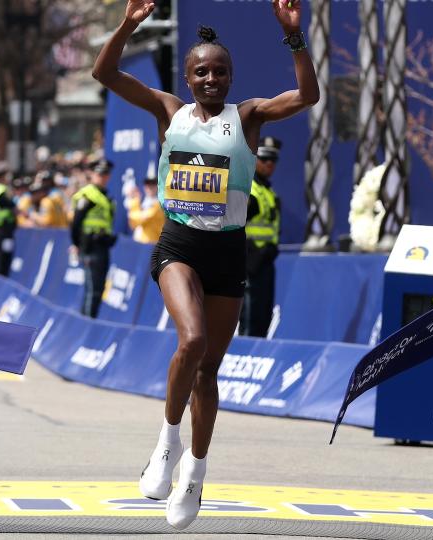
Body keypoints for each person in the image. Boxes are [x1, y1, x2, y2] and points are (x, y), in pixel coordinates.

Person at [92, 0, 318, 529]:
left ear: (230, 76)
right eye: (201, 71)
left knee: (208, 373)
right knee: (190, 342)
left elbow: (308, 96)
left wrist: (294, 37)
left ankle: (195, 472)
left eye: (219, 71)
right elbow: (103, 72)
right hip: (179, 245)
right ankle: (167, 443)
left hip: (227, 252)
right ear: (188, 78)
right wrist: (128, 25)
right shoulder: (168, 112)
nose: (210, 78)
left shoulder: (248, 117)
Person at [240, 136, 282, 337]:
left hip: (266, 262)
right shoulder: (250, 189)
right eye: (264, 159)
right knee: (250, 317)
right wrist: (249, 254)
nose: (270, 165)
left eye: (273, 161)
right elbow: (233, 224)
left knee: (264, 315)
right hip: (250, 263)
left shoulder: (268, 190)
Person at [70, 158, 116, 318]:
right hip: (90, 246)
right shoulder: (89, 194)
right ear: (92, 174)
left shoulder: (104, 196)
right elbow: (76, 222)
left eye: (105, 174)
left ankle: (88, 321)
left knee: (98, 289)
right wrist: (77, 244)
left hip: (101, 246)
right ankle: (88, 324)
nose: (102, 177)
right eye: (99, 174)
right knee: (93, 289)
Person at [125, 174, 165, 243]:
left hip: (153, 244)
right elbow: (132, 223)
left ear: (158, 186)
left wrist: (135, 200)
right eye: (148, 184)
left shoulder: (159, 204)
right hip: (140, 243)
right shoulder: (142, 203)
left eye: (153, 184)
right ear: (144, 186)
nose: (150, 187)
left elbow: (141, 218)